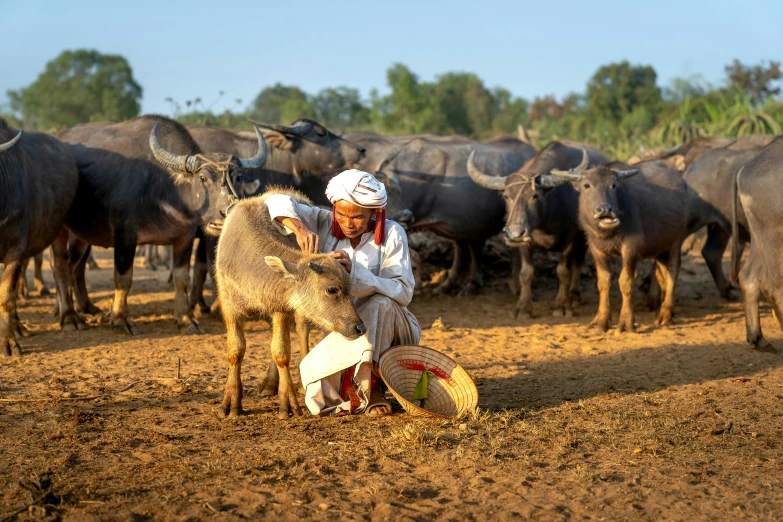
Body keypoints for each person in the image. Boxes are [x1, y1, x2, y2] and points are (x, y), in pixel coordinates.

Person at [265, 169, 420, 415]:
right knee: (315, 391)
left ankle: (372, 391)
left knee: (381, 303)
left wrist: (354, 272)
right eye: (342, 214)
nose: (348, 223)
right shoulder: (325, 221)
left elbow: (403, 292)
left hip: (392, 330)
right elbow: (276, 200)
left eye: (358, 217)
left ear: (375, 213)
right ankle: (352, 385)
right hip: (348, 328)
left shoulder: (393, 234)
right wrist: (300, 230)